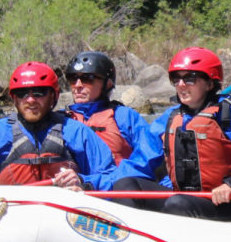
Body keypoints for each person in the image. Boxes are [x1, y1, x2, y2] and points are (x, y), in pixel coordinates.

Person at [112, 47, 231, 222]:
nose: (181, 85)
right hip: (188, 201)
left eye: (190, 78)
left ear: (209, 83)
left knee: (178, 203)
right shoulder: (170, 118)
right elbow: (138, 162)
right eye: (176, 79)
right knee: (125, 186)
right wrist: (98, 191)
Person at [0, 62, 119, 191]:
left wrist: (83, 181)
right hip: (13, 214)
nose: (30, 100)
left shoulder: (76, 131)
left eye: (39, 92)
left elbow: (111, 176)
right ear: (14, 98)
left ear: (53, 97)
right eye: (22, 93)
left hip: (65, 214)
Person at [62, 50, 164, 183]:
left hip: (114, 192)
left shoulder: (124, 116)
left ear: (108, 84)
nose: (78, 85)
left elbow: (150, 158)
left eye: (88, 79)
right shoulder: (61, 119)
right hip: (70, 192)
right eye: (73, 79)